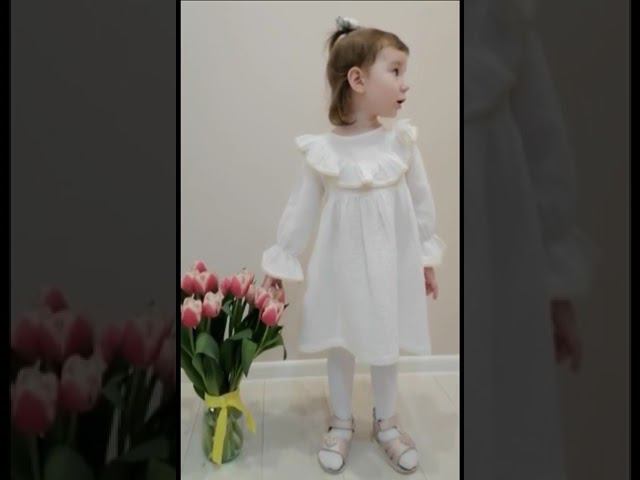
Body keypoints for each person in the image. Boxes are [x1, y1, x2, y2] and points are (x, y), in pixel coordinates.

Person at [260, 16, 446, 475]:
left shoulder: (401, 142)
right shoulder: (323, 151)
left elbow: (421, 202)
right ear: (358, 80)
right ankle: (341, 421)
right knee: (340, 341)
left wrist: (426, 258)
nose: (405, 83)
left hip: (390, 264)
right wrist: (281, 262)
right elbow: (301, 208)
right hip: (339, 265)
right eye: (395, 70)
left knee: (386, 341)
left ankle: (387, 422)